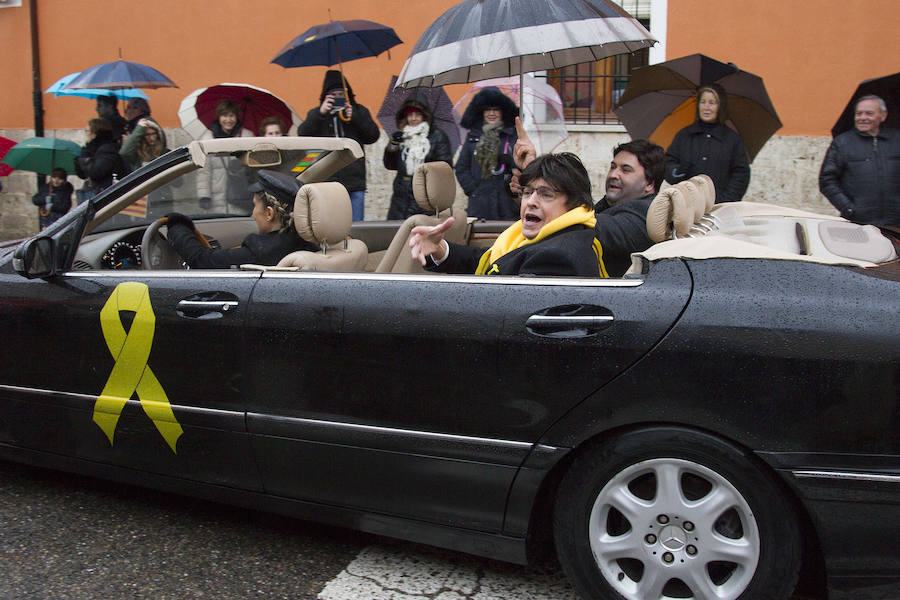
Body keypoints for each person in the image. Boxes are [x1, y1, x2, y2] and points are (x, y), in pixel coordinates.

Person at [410, 153, 606, 277]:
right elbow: (492, 260)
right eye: (527, 192)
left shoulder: (556, 257)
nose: (530, 202)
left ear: (573, 204)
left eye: (546, 195)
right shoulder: (551, 237)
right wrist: (439, 249)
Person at [513, 120, 665, 277]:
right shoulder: (606, 206)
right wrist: (533, 178)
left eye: (626, 170)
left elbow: (586, 225)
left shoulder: (649, 215)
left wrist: (545, 186)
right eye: (613, 167)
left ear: (650, 184)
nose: (613, 175)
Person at [166, 170, 319, 269]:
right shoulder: (310, 245)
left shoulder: (261, 252)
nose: (253, 214)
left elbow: (201, 260)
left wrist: (177, 225)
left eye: (255, 206)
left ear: (269, 213)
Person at [298, 70, 379, 221]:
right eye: (333, 95)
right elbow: (303, 134)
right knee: (330, 226)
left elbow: (373, 136)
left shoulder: (358, 111)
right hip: (327, 182)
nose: (337, 99)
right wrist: (321, 114)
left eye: (341, 94)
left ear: (348, 94)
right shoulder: (317, 114)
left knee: (355, 227)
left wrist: (355, 117)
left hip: (354, 182)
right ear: (325, 96)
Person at [819, 94, 900, 227]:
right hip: (857, 222)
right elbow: (827, 180)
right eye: (859, 114)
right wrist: (848, 208)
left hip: (895, 223)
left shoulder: (897, 140)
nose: (862, 118)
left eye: (869, 113)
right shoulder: (842, 143)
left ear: (883, 115)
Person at [664, 84, 750, 203]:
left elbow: (741, 173)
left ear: (720, 106)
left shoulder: (732, 139)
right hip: (686, 204)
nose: (706, 107)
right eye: (703, 102)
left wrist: (727, 199)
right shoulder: (685, 135)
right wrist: (678, 171)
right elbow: (669, 163)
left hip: (719, 204)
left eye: (712, 103)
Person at [454, 86, 519, 220]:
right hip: (480, 203)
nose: (491, 113)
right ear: (481, 112)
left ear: (503, 112)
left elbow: (522, 168)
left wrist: (510, 162)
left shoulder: (512, 136)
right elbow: (461, 168)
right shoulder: (473, 136)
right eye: (487, 110)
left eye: (496, 109)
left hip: (506, 203)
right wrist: (473, 190)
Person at [384, 96, 453, 220]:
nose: (413, 118)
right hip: (401, 195)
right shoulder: (402, 135)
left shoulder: (437, 136)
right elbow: (390, 165)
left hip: (425, 193)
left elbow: (445, 166)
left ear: (424, 116)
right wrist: (392, 146)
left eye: (417, 114)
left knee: (421, 232)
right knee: (398, 233)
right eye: (410, 115)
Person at [197, 99, 254, 213]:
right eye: (224, 116)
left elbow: (253, 169)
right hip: (216, 198)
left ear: (237, 117)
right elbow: (204, 170)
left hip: (241, 198)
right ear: (219, 117)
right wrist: (204, 196)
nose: (228, 120)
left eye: (232, 115)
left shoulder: (247, 136)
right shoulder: (208, 139)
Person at [74, 118, 128, 203]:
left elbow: (95, 171)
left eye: (87, 131)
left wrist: (84, 158)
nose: (86, 134)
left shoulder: (108, 149)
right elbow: (83, 175)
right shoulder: (92, 149)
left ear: (95, 133)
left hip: (104, 195)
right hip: (96, 192)